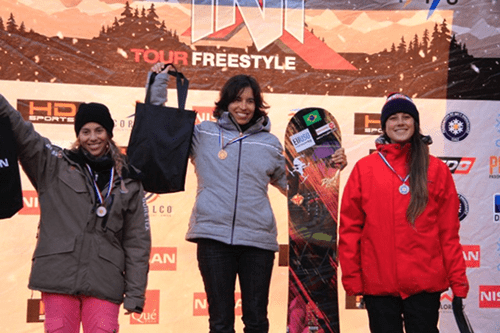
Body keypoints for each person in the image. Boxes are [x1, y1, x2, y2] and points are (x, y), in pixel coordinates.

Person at [149, 63, 347, 333]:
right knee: (220, 322)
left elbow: (298, 188)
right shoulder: (203, 134)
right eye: (237, 100)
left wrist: (329, 167)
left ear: (258, 106)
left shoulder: (270, 144)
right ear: (225, 102)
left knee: (256, 321)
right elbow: (158, 123)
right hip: (213, 239)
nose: (243, 106)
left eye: (250, 101)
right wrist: (158, 82)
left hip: (257, 242)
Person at [0, 95, 151, 333]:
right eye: (85, 131)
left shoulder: (128, 180)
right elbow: (23, 133)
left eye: (99, 130)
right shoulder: (53, 165)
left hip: (105, 279)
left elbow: (137, 243)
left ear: (109, 133)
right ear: (77, 136)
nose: (93, 138)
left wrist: (135, 293)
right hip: (58, 277)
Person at [338, 93, 469, 333]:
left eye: (406, 117)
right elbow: (350, 230)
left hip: (424, 285)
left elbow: (448, 233)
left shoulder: (437, 170)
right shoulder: (364, 169)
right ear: (384, 126)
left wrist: (458, 281)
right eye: (393, 118)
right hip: (379, 285)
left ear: (415, 123)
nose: (400, 122)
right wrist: (352, 279)